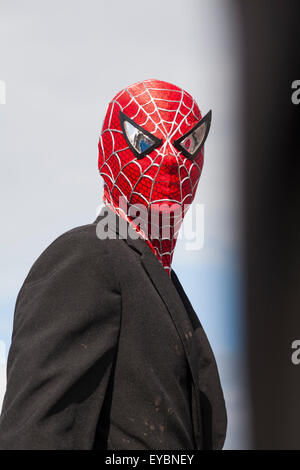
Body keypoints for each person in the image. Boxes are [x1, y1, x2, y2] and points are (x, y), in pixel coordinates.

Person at [0, 79, 226, 450]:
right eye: (144, 142)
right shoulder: (88, 256)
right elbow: (33, 436)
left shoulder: (167, 289)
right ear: (110, 154)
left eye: (188, 144)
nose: (170, 160)